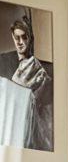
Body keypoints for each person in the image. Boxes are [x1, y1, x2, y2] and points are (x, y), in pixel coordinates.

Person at [0, 14, 53, 151]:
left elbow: (39, 107)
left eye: (24, 37)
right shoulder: (4, 62)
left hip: (25, 126)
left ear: (30, 39)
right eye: (17, 37)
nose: (20, 42)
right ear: (12, 37)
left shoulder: (38, 70)